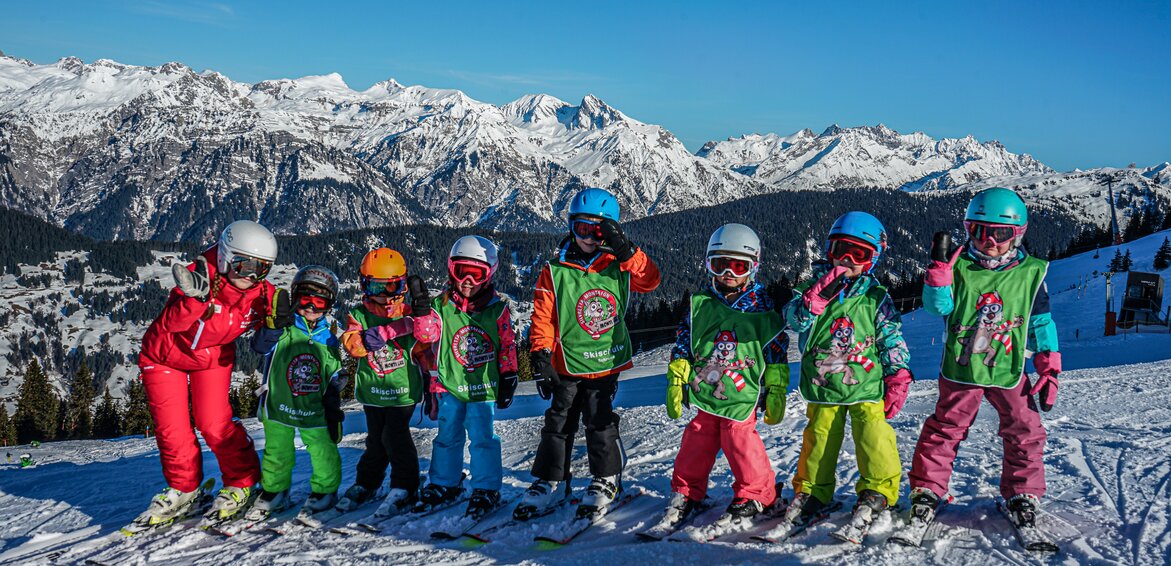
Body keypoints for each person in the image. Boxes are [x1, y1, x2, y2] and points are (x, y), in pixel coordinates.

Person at [905, 187, 1060, 533]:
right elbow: (939, 308)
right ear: (968, 229)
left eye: (999, 233)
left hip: (1008, 367)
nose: (989, 241)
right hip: (962, 368)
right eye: (979, 231)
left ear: (1017, 234)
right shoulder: (957, 266)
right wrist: (938, 279)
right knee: (945, 428)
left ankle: (1022, 492)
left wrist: (1048, 368)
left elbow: (1040, 323)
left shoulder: (1031, 273)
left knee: (1025, 429)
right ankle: (928, 490)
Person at [516, 187, 661, 521]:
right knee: (558, 419)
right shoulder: (555, 270)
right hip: (566, 360)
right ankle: (552, 479)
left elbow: (651, 280)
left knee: (599, 417)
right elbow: (542, 315)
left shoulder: (620, 266)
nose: (589, 238)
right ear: (571, 227)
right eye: (582, 229)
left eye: (599, 231)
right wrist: (540, 354)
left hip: (605, 358)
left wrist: (627, 251)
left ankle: (606, 477)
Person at [133, 220, 279, 528]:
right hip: (163, 356)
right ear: (225, 258)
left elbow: (263, 339)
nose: (249, 276)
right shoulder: (199, 278)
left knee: (214, 424)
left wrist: (276, 325)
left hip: (212, 357)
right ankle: (184, 489)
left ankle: (242, 481)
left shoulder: (263, 295)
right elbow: (173, 325)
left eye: (260, 269)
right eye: (242, 266)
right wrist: (193, 302)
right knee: (173, 430)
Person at [779, 211, 912, 540]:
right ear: (829, 251)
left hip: (865, 385)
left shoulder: (875, 298)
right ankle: (813, 491)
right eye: (841, 250)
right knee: (819, 439)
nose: (848, 260)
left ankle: (877, 490)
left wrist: (898, 373)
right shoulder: (810, 289)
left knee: (873, 436)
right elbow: (792, 322)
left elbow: (891, 337)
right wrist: (811, 303)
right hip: (823, 384)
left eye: (859, 254)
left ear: (873, 260)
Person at [659, 224, 788, 532]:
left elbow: (775, 347)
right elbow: (685, 339)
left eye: (738, 266)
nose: (728, 272)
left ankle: (758, 493)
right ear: (709, 264)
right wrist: (679, 369)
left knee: (739, 439)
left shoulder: (762, 309)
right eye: (719, 264)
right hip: (706, 387)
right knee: (697, 439)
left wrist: (776, 384)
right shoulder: (701, 304)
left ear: (753, 268)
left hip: (743, 392)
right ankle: (687, 491)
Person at [413, 236, 519, 519]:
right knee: (447, 436)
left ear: (490, 274)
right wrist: (423, 313)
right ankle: (445, 483)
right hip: (449, 385)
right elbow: (427, 336)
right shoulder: (441, 306)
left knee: (483, 437)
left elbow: (507, 344)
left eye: (477, 273)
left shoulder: (497, 309)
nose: (468, 280)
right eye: (462, 272)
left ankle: (486, 487)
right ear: (451, 270)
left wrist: (509, 374)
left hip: (482, 387)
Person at [334, 248, 434, 518]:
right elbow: (353, 346)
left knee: (395, 435)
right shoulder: (359, 315)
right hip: (372, 392)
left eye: (392, 286)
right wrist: (368, 337)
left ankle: (405, 485)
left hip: (403, 392)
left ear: (402, 284)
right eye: (376, 286)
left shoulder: (412, 314)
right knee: (375, 440)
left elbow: (429, 337)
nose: (385, 294)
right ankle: (367, 482)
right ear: (364, 284)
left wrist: (401, 326)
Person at [244, 265, 347, 522]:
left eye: (319, 301)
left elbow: (335, 372)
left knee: (323, 449)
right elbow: (259, 345)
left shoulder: (328, 339)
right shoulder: (284, 330)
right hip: (279, 405)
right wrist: (274, 327)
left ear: (329, 305)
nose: (311, 307)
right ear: (294, 297)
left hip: (313, 408)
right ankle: (275, 490)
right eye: (305, 299)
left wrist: (333, 401)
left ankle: (325, 490)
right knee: (276, 451)